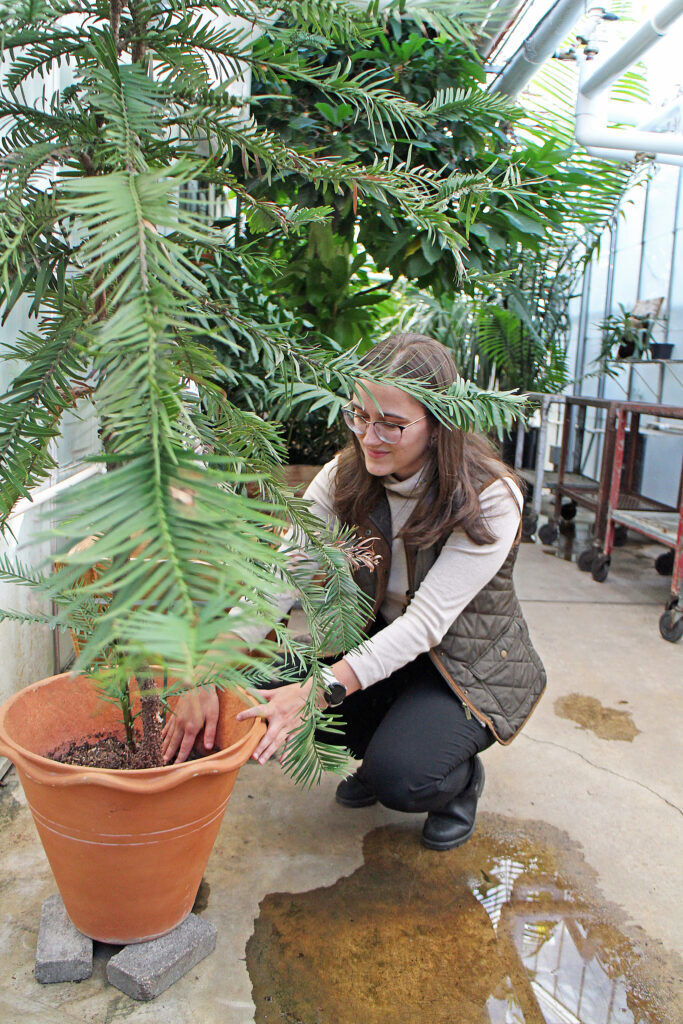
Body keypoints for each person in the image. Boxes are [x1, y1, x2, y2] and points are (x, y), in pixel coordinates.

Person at [162, 333, 546, 850]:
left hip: (462, 669)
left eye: (392, 423)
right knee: (249, 693)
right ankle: (391, 737)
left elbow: (425, 625)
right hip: (378, 645)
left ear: (439, 425)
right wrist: (207, 671)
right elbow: (281, 576)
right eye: (359, 416)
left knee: (402, 777)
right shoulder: (343, 476)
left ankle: (454, 782)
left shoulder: (490, 496)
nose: (370, 436)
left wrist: (315, 692)